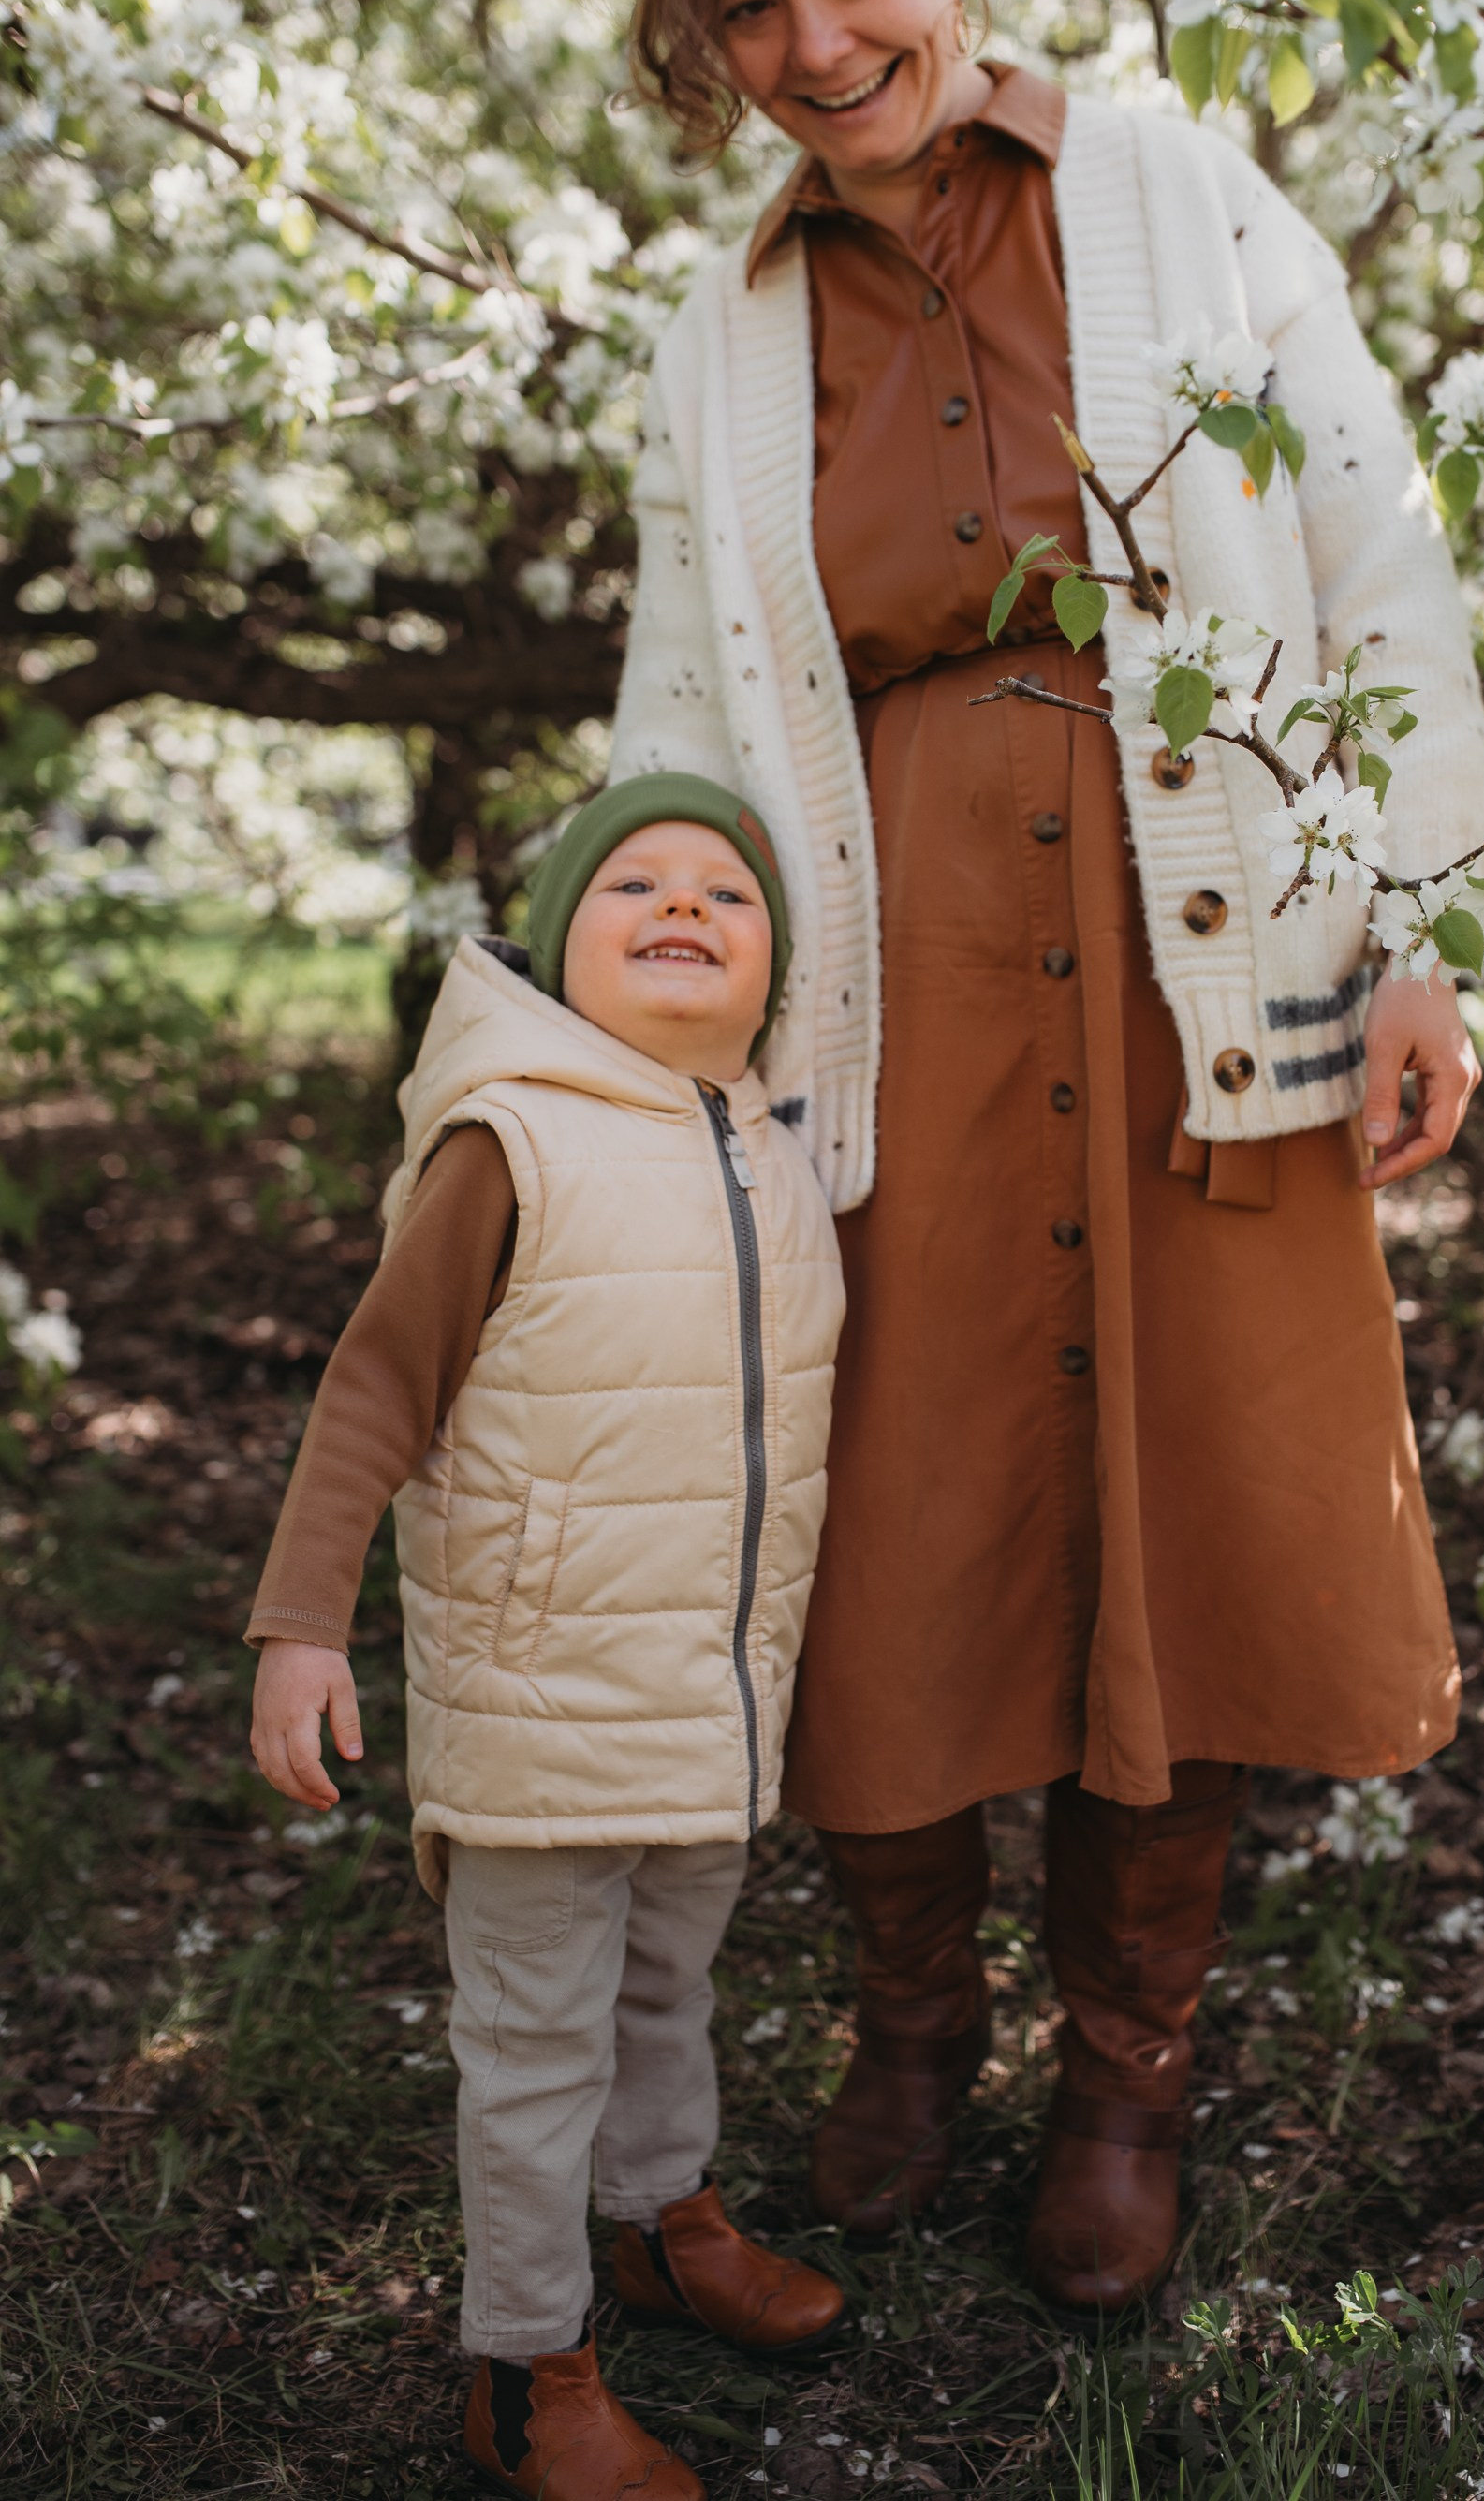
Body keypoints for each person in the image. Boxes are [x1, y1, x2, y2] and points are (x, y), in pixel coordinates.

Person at [614, 0, 1484, 2317]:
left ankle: (1129, 2078)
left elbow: (1365, 541)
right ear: (711, 41)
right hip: (884, 982)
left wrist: (1405, 921)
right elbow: (684, 701)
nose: (816, 38)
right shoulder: (723, 327)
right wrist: (668, 1023)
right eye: (748, 3)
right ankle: (910, 2034)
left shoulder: (1168, 191)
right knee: (885, 1512)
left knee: (1187, 1513)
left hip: (1197, 941)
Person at [244, 776, 848, 2500]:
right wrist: (303, 1626)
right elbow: (376, 1386)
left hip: (705, 1696)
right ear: (558, 951)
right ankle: (526, 2363)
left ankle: (660, 2220)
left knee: (673, 1989)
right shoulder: (511, 1142)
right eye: (633, 885)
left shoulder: (769, 1154)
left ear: (772, 969)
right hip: (536, 1698)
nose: (682, 906)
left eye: (726, 894)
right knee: (534, 2048)